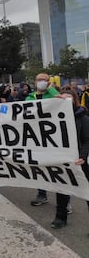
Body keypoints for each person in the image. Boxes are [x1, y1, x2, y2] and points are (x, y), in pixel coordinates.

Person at [51, 89, 89, 229]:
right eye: (63, 99)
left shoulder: (83, 118)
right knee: (62, 189)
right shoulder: (53, 117)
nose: (66, 102)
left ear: (74, 100)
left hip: (80, 161)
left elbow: (87, 140)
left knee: (87, 190)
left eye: (69, 99)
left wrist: (83, 156)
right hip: (63, 160)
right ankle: (60, 218)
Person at [27, 73, 60, 206]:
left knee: (59, 169)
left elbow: (62, 102)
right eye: (40, 80)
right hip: (37, 139)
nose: (42, 82)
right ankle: (42, 194)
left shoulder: (54, 95)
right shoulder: (29, 98)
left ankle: (64, 200)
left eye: (45, 80)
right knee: (39, 169)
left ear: (49, 82)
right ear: (35, 82)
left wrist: (52, 90)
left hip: (55, 139)